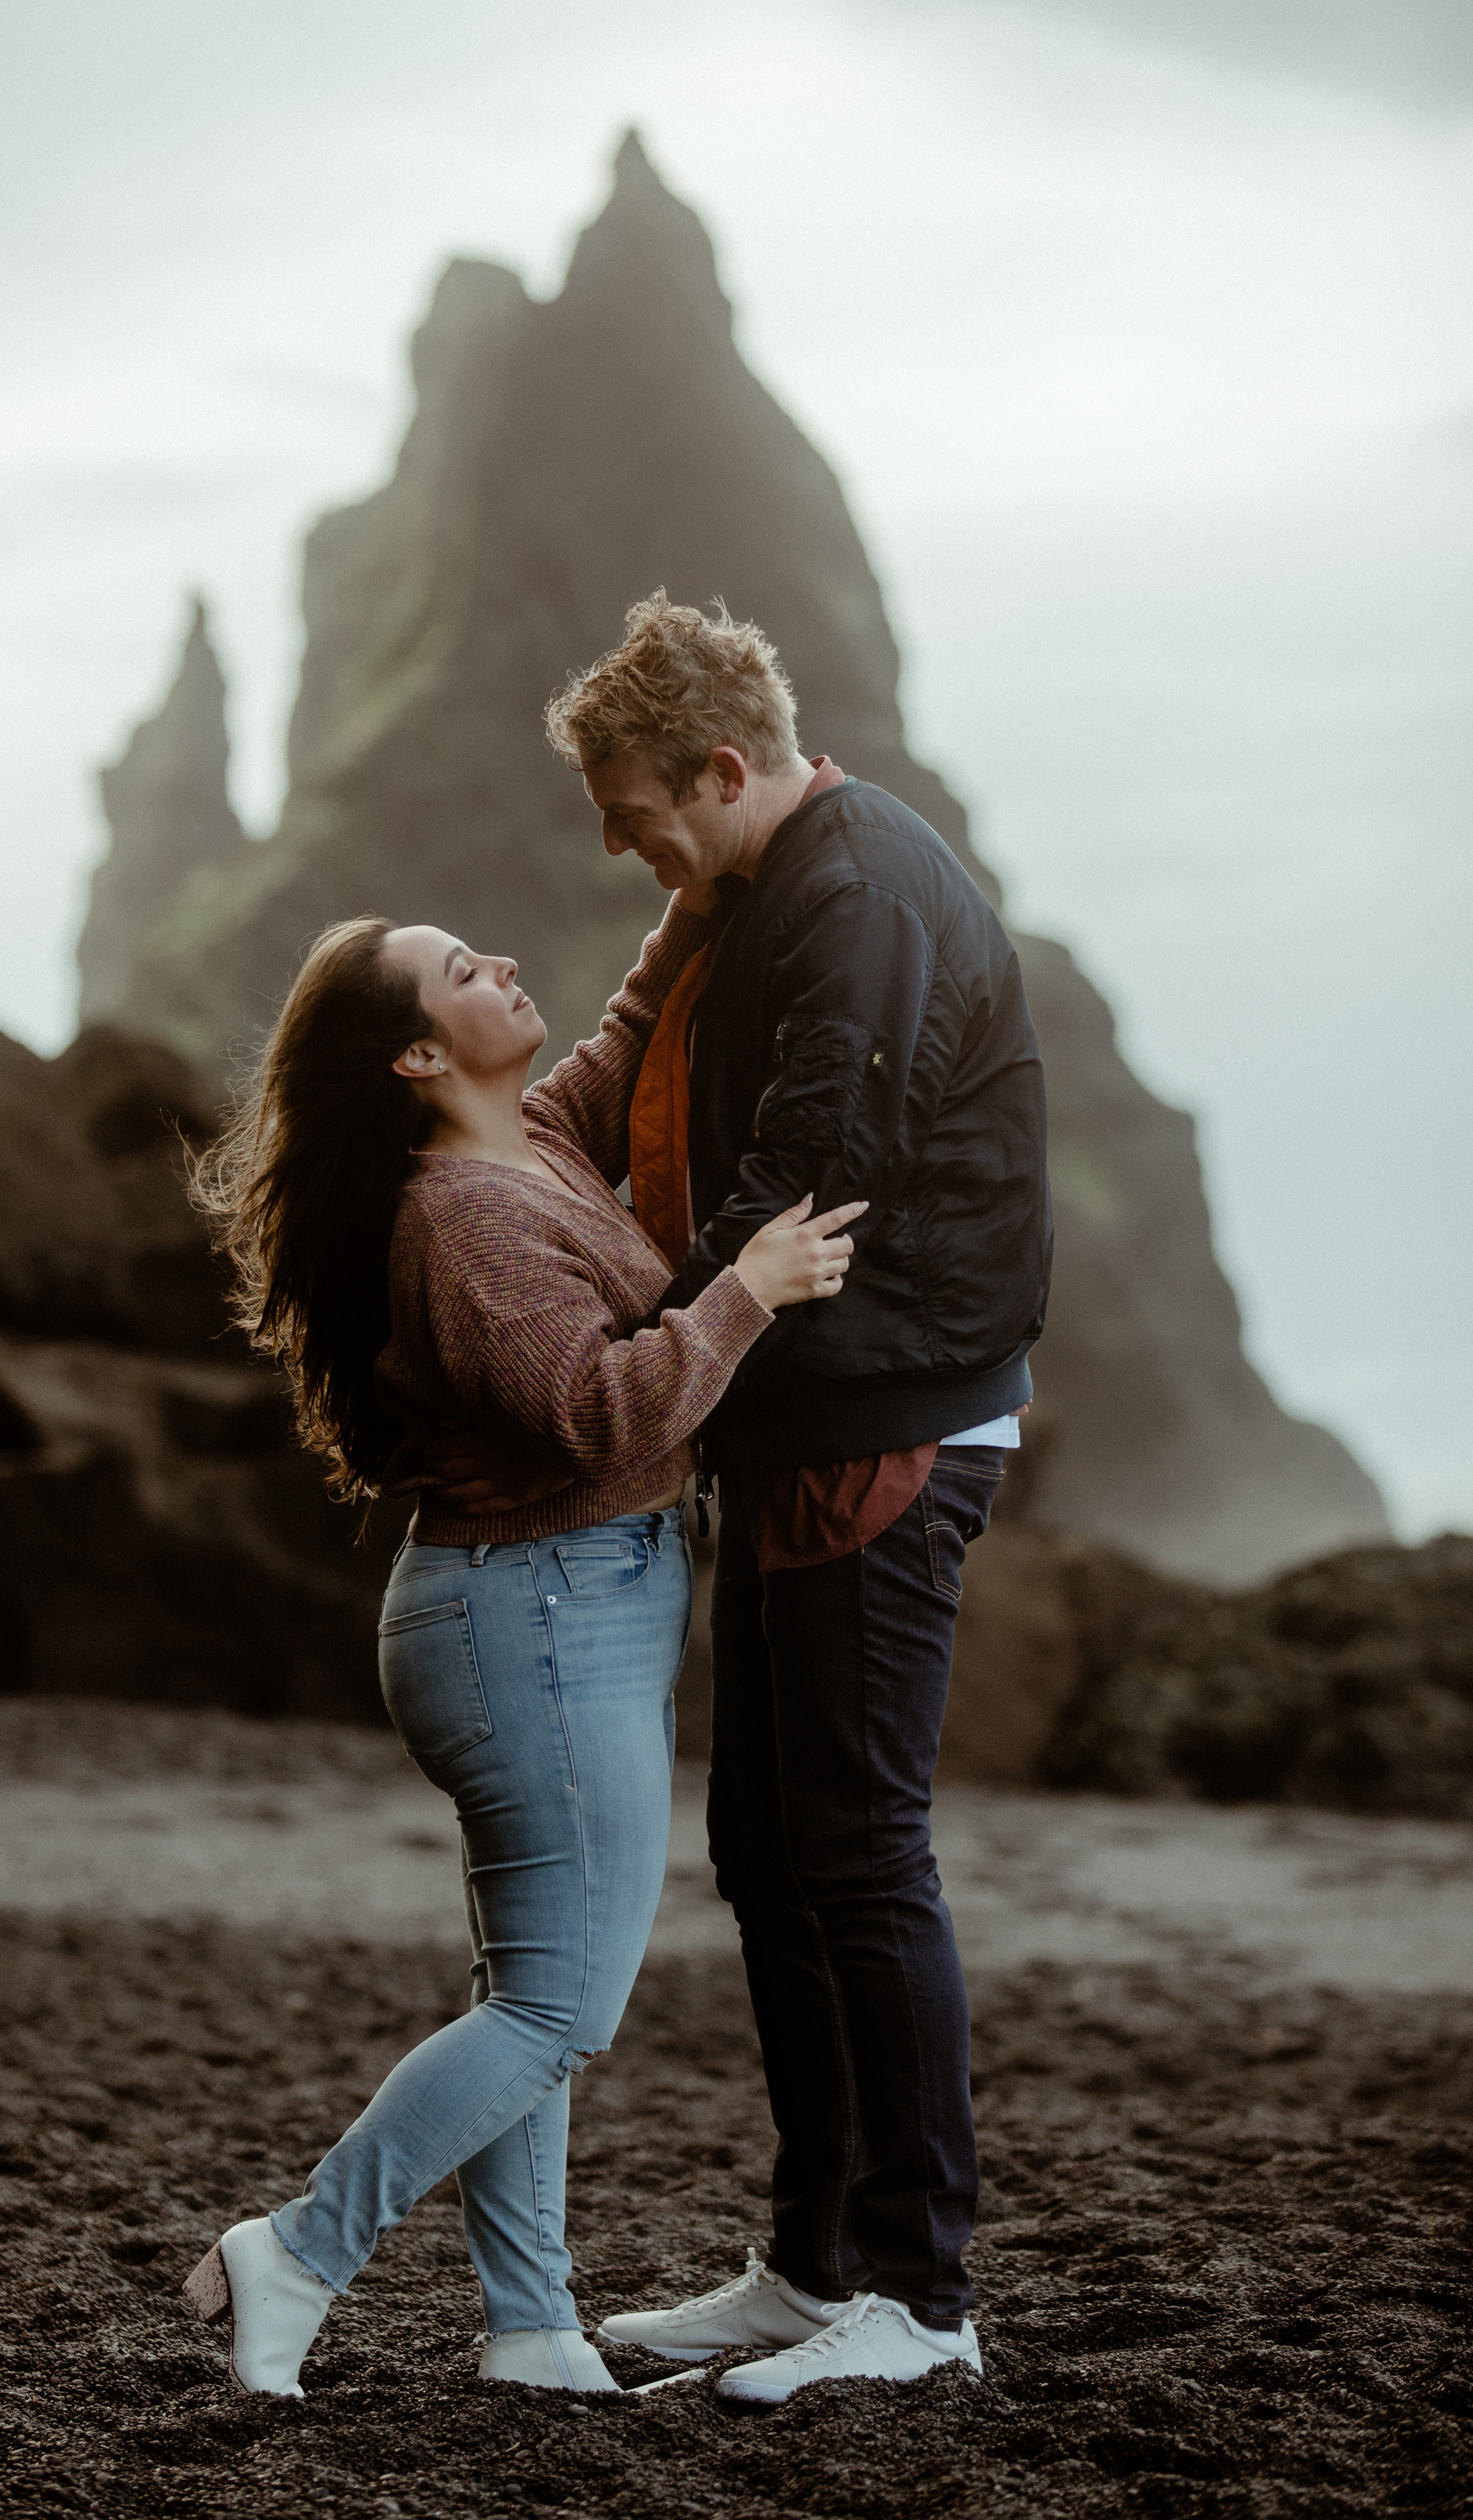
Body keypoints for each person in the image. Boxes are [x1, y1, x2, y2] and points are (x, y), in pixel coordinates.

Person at [435, 591, 1052, 2405]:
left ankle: (920, 2298)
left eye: (632, 813)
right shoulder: (755, 885)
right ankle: (811, 2268)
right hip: (801, 1419)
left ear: (719, 768)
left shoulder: (857, 895)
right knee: (771, 1855)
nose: (617, 848)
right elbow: (647, 1063)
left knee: (856, 1850)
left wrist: (623, 1357)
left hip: (888, 1427)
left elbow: (811, 1171)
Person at [180, 879, 866, 2398]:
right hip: (536, 1619)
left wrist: (702, 889)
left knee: (531, 1993)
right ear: (419, 1057)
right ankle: (297, 2251)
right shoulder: (465, 1217)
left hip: (548, 1610)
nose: (495, 957)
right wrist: (745, 1292)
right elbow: (598, 1415)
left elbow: (627, 1029)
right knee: (560, 2007)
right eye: (456, 969)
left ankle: (535, 2325)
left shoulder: (530, 1140)